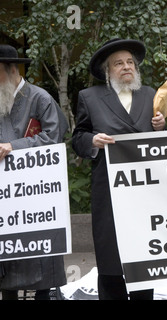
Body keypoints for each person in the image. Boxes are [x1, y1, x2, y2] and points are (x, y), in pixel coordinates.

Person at [72, 38, 165, 300]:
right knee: (111, 258)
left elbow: (162, 144)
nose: (126, 67)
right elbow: (77, 138)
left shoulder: (150, 95)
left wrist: (161, 127)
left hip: (146, 191)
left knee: (144, 256)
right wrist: (91, 140)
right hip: (109, 191)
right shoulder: (89, 97)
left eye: (129, 62)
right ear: (107, 70)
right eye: (118, 63)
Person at [0, 44, 68, 300]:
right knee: (7, 263)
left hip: (36, 195)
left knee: (41, 262)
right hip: (6, 197)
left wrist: (14, 146)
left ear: (12, 69)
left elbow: (55, 138)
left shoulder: (40, 97)